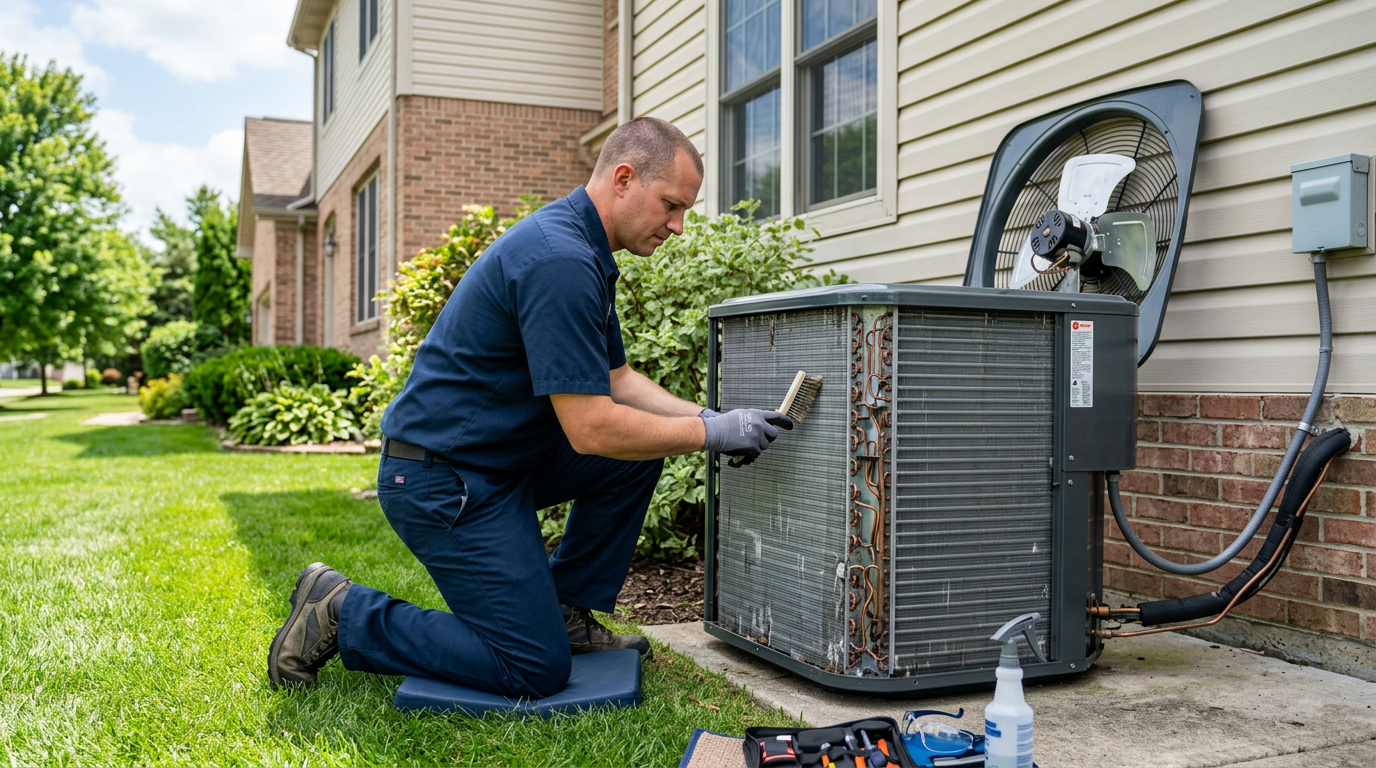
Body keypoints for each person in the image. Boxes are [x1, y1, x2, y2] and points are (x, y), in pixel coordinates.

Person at [267, 117, 792, 698]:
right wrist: (711, 435)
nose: (678, 226)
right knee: (530, 668)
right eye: (671, 205)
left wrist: (704, 417)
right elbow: (592, 428)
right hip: (440, 478)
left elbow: (616, 379)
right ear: (623, 178)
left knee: (639, 454)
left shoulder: (585, 250)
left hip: (494, 464)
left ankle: (567, 614)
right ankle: (343, 612)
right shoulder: (560, 261)